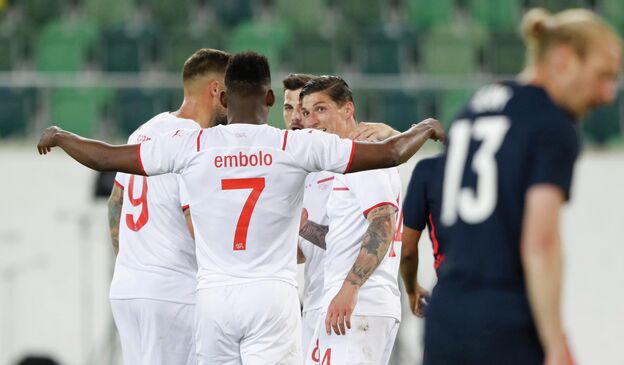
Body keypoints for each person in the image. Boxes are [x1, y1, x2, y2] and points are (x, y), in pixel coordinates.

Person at [37, 51, 445, 365]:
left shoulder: (193, 145)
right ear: (270, 97)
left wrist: (62, 135)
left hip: (214, 296)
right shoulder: (293, 145)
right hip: (271, 296)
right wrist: (422, 127)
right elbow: (391, 154)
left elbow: (106, 158)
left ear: (225, 96)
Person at [424, 8, 622, 364]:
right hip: (505, 323)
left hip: (446, 317)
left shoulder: (472, 108)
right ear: (564, 58)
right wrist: (555, 342)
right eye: (602, 76)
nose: (608, 94)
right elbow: (541, 243)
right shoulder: (551, 125)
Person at [107, 48, 230, 365]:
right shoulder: (196, 142)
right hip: (172, 292)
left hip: (127, 289)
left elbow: (116, 202)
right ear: (216, 90)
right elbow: (195, 222)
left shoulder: (145, 130)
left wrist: (130, 259)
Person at [281, 72, 401, 363]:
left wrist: (350, 289)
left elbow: (383, 221)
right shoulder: (342, 159)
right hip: (349, 303)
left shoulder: (363, 155)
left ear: (348, 109)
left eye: (320, 110)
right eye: (306, 112)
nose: (310, 121)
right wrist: (303, 229)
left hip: (358, 304)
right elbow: (344, 236)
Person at [399, 154, 445, 318]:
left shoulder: (429, 170)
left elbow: (406, 250)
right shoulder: (515, 165)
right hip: (510, 295)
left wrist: (412, 289)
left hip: (452, 294)